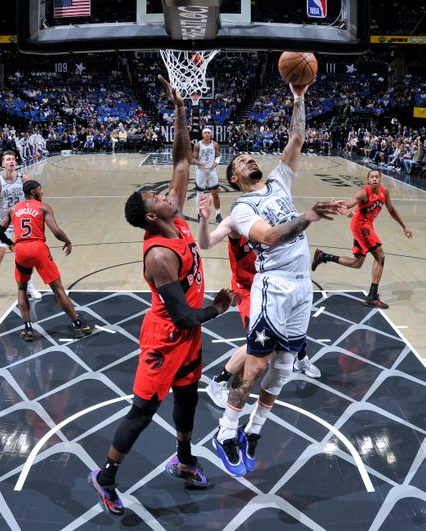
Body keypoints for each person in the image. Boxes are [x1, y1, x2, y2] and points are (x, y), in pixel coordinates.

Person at [89, 75, 234, 516]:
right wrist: (219, 308)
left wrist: (179, 109)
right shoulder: (158, 256)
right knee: (142, 412)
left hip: (188, 337)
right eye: (158, 196)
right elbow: (185, 316)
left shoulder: (178, 221)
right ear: (152, 214)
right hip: (165, 335)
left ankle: (184, 460)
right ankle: (106, 476)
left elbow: (180, 162)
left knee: (187, 398)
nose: (168, 193)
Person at [212, 79, 345, 478]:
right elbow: (269, 237)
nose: (248, 160)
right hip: (273, 287)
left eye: (250, 156)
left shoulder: (278, 181)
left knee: (284, 368)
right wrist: (309, 215)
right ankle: (226, 431)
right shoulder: (241, 207)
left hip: (301, 285)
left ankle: (254, 430)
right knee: (254, 368)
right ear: (234, 178)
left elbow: (297, 138)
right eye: (239, 162)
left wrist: (299, 97)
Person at [196, 195, 320, 410]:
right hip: (248, 288)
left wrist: (312, 214)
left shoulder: (271, 218)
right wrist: (204, 219)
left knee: (293, 320)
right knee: (260, 341)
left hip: (277, 282)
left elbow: (294, 225)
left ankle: (301, 358)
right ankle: (218, 382)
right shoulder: (235, 221)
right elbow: (205, 243)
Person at [0, 180, 93, 340]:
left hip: (21, 251)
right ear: (33, 192)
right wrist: (67, 241)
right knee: (57, 288)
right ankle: (78, 325)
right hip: (38, 248)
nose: (43, 192)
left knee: (21, 288)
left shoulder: (13, 210)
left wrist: (11, 244)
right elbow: (56, 231)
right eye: (40, 190)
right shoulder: (43, 207)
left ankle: (27, 329)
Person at [311, 169, 412, 309]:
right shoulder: (364, 192)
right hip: (361, 226)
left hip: (365, 225)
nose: (375, 179)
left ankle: (323, 256)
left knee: (357, 263)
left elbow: (391, 210)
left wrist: (404, 226)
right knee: (380, 257)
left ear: (381, 178)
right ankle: (372, 297)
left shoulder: (384, 192)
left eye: (377, 176)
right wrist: (339, 205)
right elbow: (350, 203)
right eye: (372, 177)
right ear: (368, 180)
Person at [0, 150, 41, 301]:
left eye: (13, 159)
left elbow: (35, 197)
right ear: (2, 163)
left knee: (27, 255)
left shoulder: (24, 178)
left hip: (21, 221)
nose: (11, 161)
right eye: (8, 159)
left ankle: (30, 286)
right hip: (4, 222)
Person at [192, 127, 222, 223]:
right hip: (201, 171)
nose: (207, 134)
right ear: (202, 134)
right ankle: (199, 214)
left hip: (212, 170)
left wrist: (217, 162)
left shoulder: (215, 144)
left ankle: (218, 214)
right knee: (200, 194)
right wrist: (200, 164)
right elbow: (194, 159)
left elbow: (218, 156)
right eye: (205, 133)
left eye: (209, 133)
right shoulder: (197, 145)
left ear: (211, 134)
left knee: (215, 193)